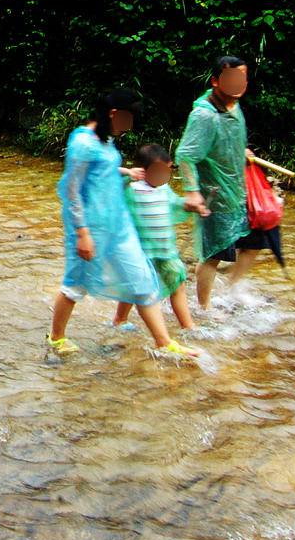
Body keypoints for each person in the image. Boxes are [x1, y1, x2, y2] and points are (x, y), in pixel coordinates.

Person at [48, 89, 200, 361]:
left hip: (118, 227)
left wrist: (127, 172)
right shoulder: (83, 142)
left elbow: (102, 168)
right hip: (89, 228)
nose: (130, 126)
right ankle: (56, 337)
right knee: (76, 285)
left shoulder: (105, 140)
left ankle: (163, 342)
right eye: (128, 119)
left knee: (142, 281)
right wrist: (82, 233)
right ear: (114, 114)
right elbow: (72, 190)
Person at [176, 56, 266, 308]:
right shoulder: (204, 115)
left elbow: (228, 140)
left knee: (255, 241)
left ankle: (233, 292)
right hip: (214, 194)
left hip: (240, 190)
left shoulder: (234, 106)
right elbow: (185, 155)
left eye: (242, 78)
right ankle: (203, 308)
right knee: (213, 255)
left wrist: (243, 151)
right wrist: (192, 192)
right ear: (216, 81)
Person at [115, 144, 196, 332]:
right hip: (140, 252)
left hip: (166, 251)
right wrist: (127, 173)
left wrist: (193, 205)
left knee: (178, 282)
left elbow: (177, 205)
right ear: (144, 171)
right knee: (133, 288)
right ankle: (120, 319)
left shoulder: (164, 189)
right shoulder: (130, 189)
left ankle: (188, 326)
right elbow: (109, 182)